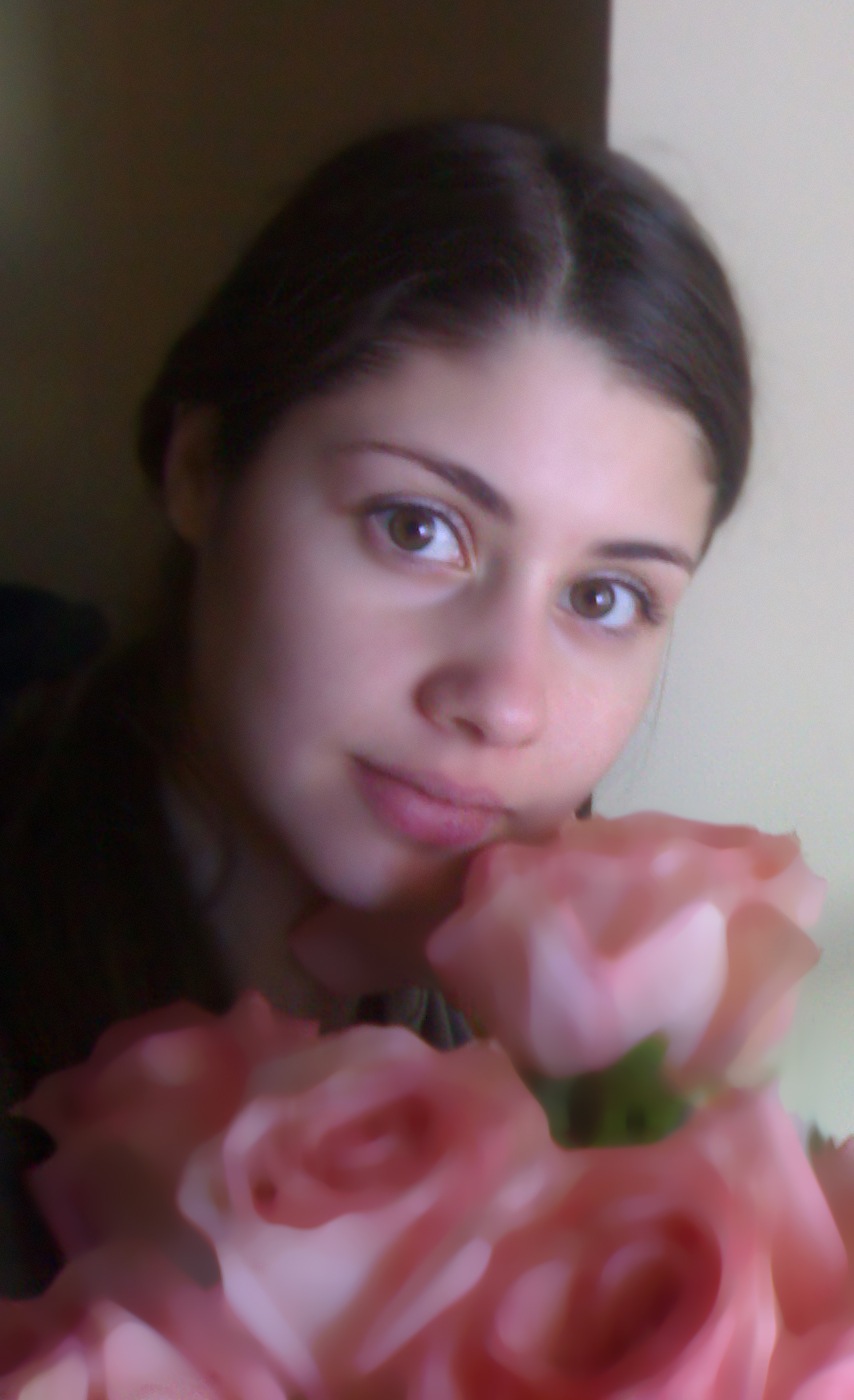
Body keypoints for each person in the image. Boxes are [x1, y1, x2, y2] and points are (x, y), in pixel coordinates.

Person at [0, 118, 751, 1294]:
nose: (502, 701)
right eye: (416, 527)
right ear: (202, 468)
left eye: (603, 595)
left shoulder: (556, 1049)